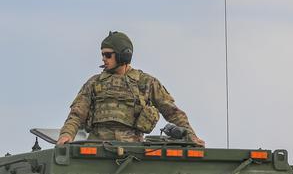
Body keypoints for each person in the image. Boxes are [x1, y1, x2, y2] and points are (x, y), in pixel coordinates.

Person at [58, 31, 204, 146]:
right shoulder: (94, 83)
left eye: (108, 55)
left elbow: (173, 113)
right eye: (102, 54)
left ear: (123, 55)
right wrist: (67, 135)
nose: (103, 58)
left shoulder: (146, 83)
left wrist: (192, 137)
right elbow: (76, 114)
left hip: (133, 151)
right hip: (97, 148)